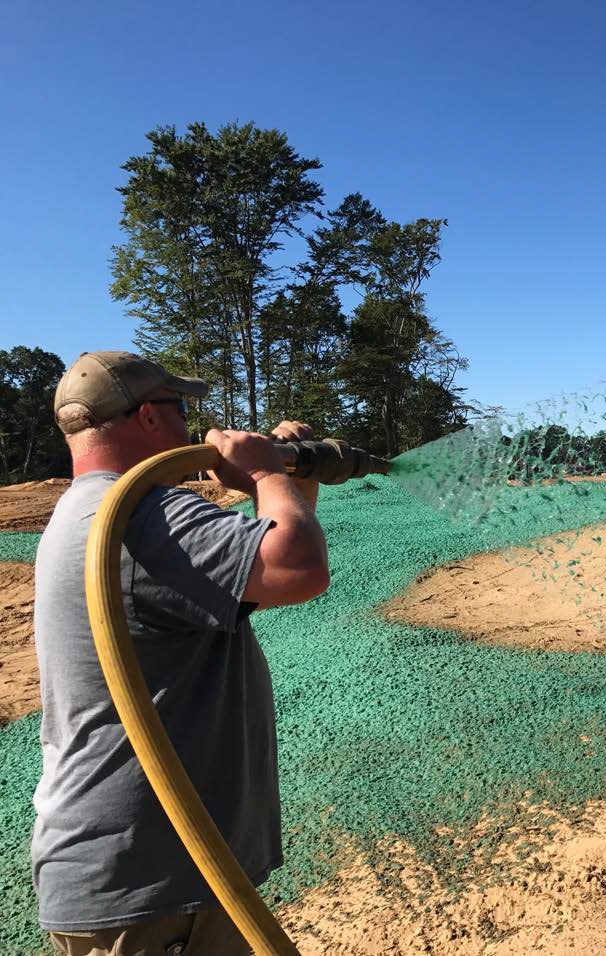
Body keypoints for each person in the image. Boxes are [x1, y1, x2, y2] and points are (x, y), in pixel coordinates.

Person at [32, 350, 330, 955]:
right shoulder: (140, 514)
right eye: (179, 409)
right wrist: (266, 475)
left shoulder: (88, 511)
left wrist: (294, 478)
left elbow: (258, 573)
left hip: (138, 875)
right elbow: (297, 567)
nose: (190, 428)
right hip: (154, 887)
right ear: (146, 417)